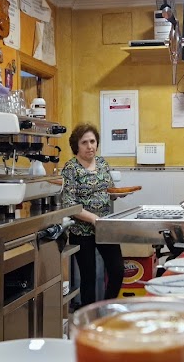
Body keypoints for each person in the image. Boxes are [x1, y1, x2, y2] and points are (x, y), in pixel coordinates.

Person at [60, 123, 124, 306]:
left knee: (117, 270)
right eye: (84, 142)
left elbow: (109, 190)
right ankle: (89, 316)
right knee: (88, 277)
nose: (90, 146)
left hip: (105, 227)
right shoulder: (71, 168)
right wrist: (93, 219)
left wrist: (117, 194)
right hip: (81, 231)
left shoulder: (102, 163)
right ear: (76, 146)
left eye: (93, 141)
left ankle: (106, 308)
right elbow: (69, 203)